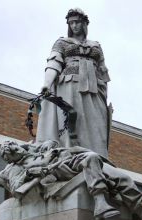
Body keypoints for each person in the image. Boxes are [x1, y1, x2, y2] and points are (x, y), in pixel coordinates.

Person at [0, 140, 142, 220]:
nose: (12, 148)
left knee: (121, 176)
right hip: (57, 171)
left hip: (70, 158)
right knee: (91, 158)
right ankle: (100, 202)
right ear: (9, 159)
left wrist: (49, 146)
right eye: (8, 151)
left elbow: (53, 142)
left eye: (11, 144)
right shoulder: (15, 168)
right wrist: (29, 172)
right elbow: (15, 187)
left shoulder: (35, 147)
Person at [36, 8, 111, 158]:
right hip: (70, 85)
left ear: (84, 23)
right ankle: (71, 154)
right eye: (71, 23)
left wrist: (104, 92)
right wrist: (46, 83)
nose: (74, 26)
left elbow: (103, 72)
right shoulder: (62, 42)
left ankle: (98, 156)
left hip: (94, 89)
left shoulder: (96, 46)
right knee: (71, 119)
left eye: (77, 22)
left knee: (96, 123)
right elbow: (53, 63)